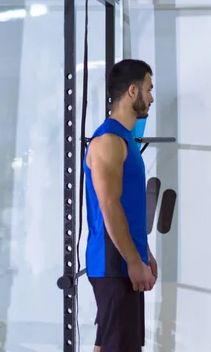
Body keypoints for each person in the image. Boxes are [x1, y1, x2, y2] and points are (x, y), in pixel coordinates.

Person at [83, 59, 157, 352]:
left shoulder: (126, 139)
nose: (151, 97)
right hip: (113, 264)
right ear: (132, 91)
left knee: (110, 346)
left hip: (123, 261)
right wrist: (132, 261)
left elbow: (128, 207)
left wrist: (144, 253)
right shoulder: (109, 140)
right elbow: (109, 206)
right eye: (148, 89)